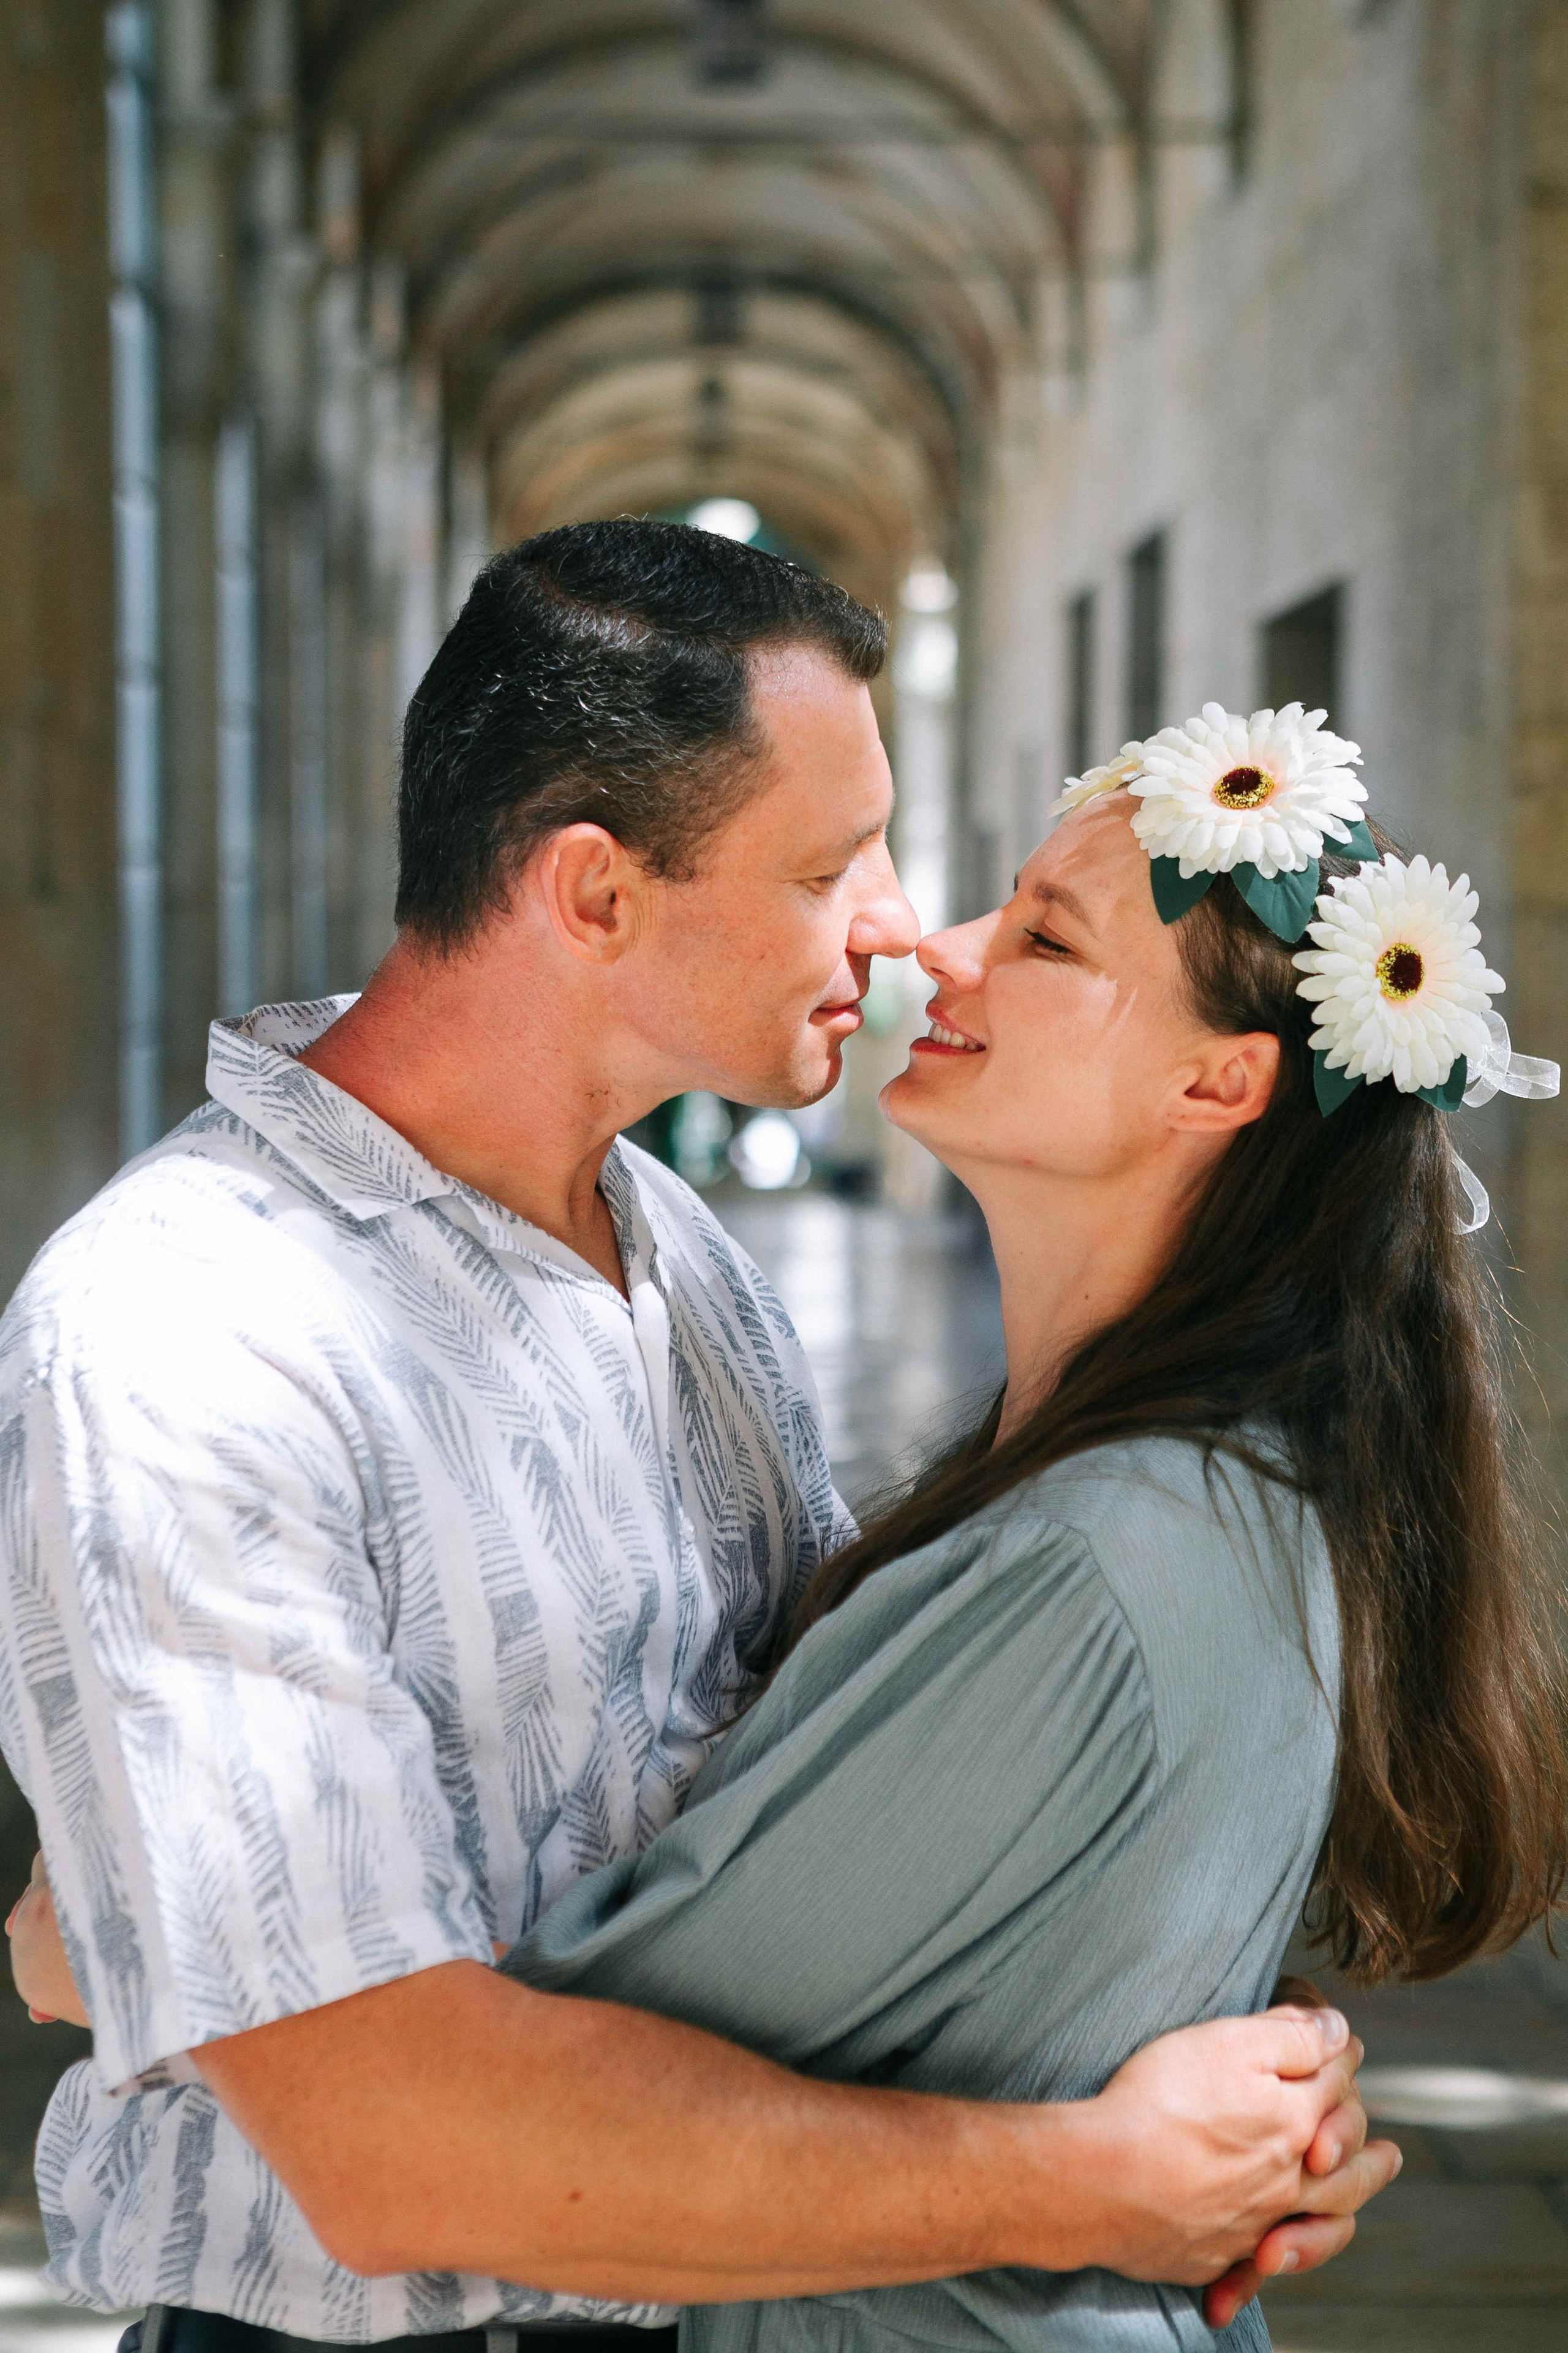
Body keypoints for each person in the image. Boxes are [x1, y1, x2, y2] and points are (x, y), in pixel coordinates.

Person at [4, 529, 1387, 2353]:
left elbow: (819, 1806)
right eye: (828, 866)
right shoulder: (189, 1329)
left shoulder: (682, 1253)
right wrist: (1095, 2180)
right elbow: (391, 2148)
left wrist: (1204, 2057)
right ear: (594, 892)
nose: (897, 923)